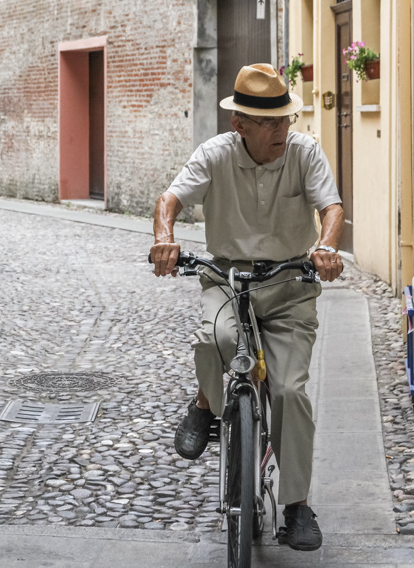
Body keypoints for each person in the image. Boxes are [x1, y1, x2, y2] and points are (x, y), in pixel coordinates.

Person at [150, 63, 344, 552]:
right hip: (229, 279)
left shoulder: (304, 152)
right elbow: (169, 198)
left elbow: (332, 207)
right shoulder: (214, 155)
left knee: (289, 391)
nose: (282, 129)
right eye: (270, 122)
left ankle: (297, 505)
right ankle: (205, 404)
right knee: (215, 340)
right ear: (240, 125)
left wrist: (325, 247)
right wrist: (164, 237)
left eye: (285, 119)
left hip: (289, 284)